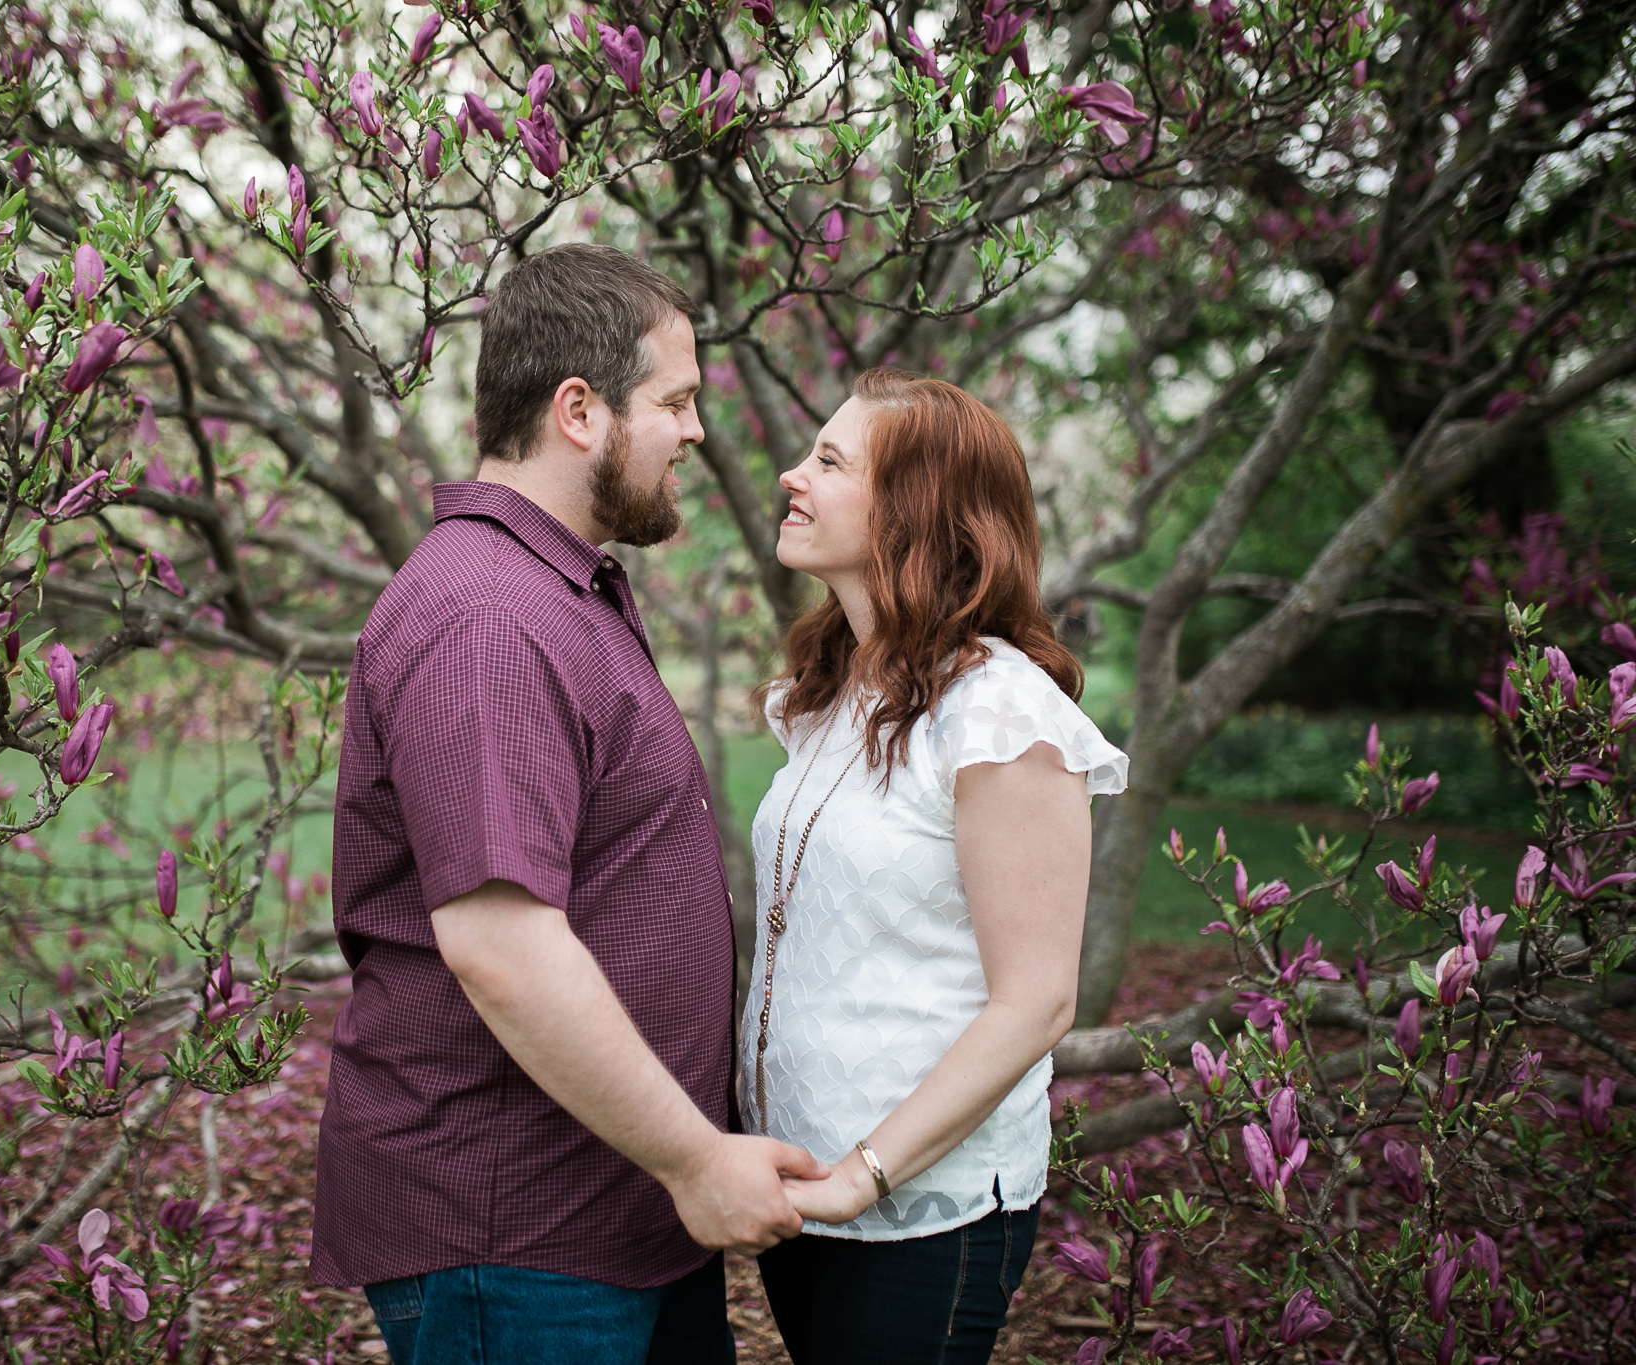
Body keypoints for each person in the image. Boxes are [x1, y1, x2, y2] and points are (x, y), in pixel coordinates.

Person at [311, 244, 826, 1365]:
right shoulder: (488, 617)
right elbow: (500, 944)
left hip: (611, 1218)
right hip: (518, 1238)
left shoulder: (557, 587)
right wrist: (696, 1159)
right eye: (676, 402)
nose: (695, 432)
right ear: (579, 411)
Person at [744, 369, 1129, 1364]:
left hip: (916, 1213)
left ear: (909, 512)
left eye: (828, 461)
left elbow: (1035, 1001)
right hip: (802, 1191)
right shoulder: (827, 694)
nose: (791, 476)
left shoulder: (998, 714)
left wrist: (859, 1175)